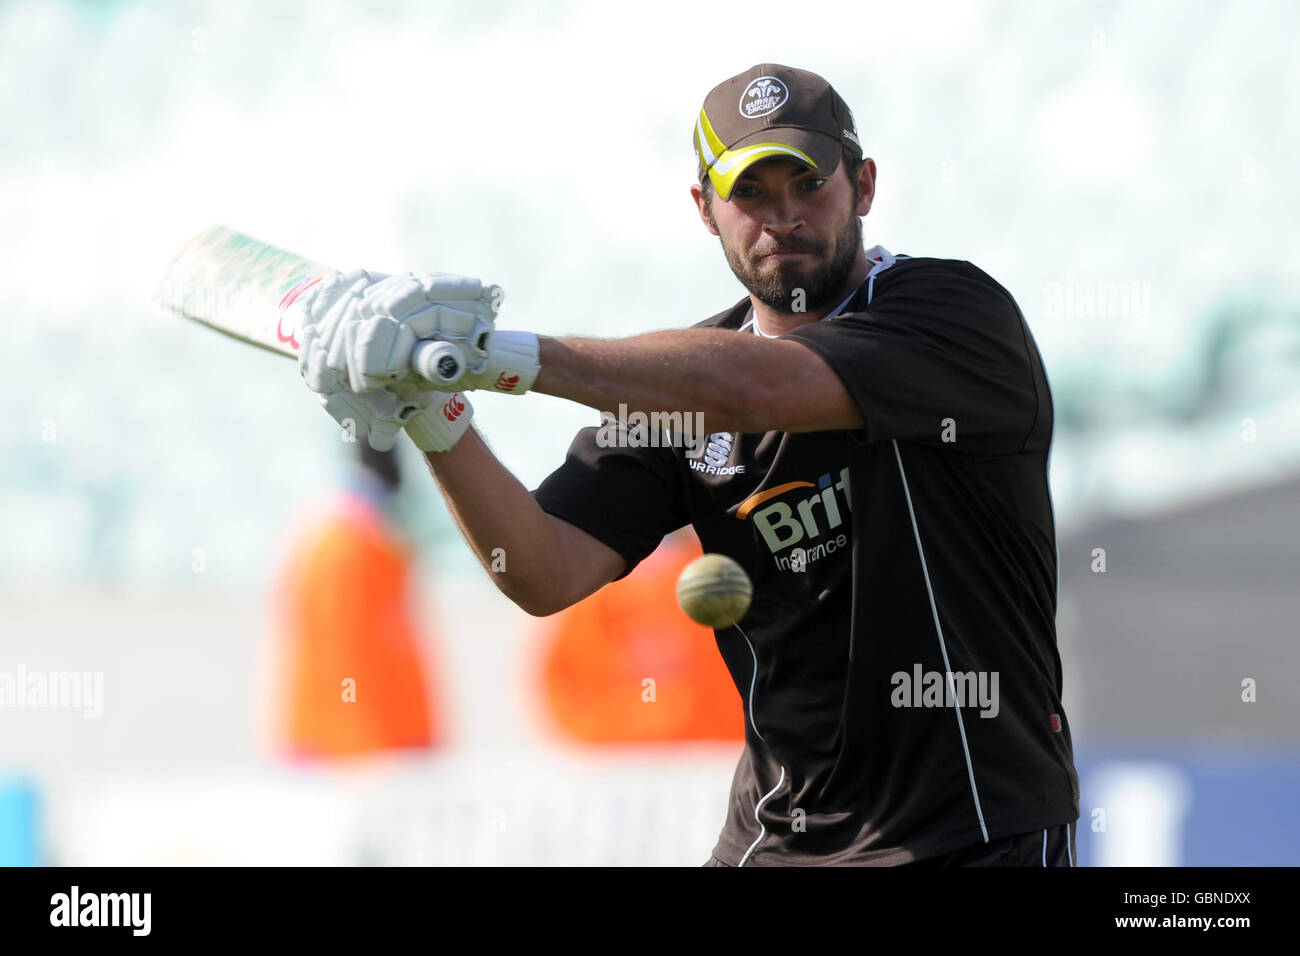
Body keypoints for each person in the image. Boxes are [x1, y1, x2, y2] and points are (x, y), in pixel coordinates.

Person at [291, 63, 1079, 866]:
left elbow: (759, 389)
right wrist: (437, 414)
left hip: (977, 829)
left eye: (807, 183)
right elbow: (540, 570)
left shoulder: (952, 313)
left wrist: (492, 355)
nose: (783, 216)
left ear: (865, 186)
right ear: (704, 209)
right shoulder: (680, 388)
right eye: (751, 192)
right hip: (781, 837)